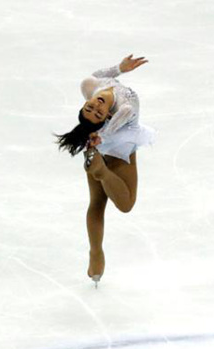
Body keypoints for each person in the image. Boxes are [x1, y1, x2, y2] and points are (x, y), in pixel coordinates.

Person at [55, 54, 155, 286]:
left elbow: (98, 76)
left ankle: (95, 253)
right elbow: (118, 122)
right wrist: (101, 136)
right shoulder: (124, 108)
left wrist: (120, 68)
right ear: (106, 117)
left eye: (92, 107)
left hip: (98, 141)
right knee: (126, 204)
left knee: (97, 202)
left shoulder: (90, 87)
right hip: (117, 141)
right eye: (97, 112)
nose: (96, 105)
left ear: (85, 102)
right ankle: (102, 172)